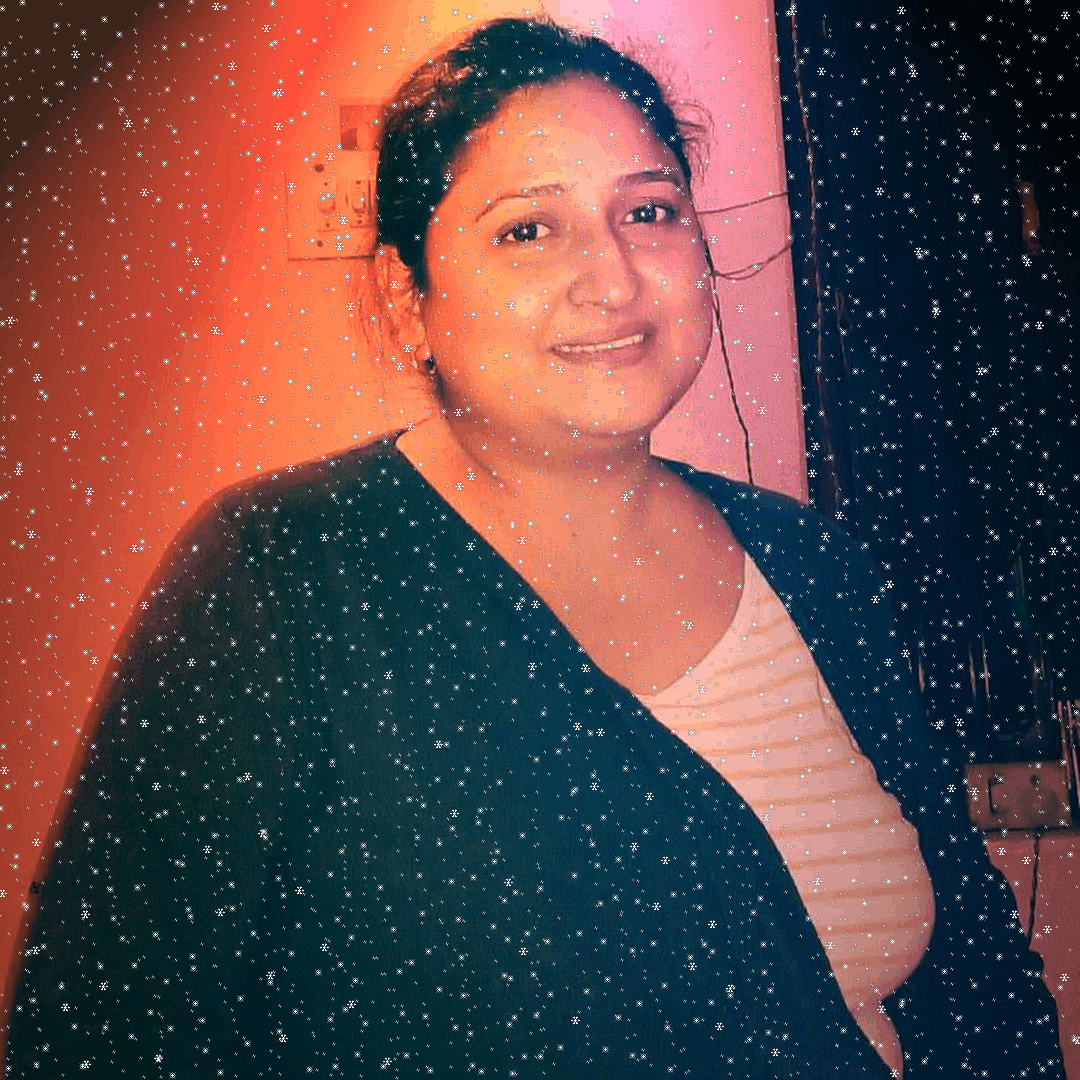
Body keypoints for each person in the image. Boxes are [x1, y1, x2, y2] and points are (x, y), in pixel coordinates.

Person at [5, 16, 1064, 1080]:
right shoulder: (281, 579)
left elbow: (976, 978)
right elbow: (100, 1033)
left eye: (649, 211)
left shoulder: (813, 567)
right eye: (527, 230)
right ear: (404, 300)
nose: (613, 279)